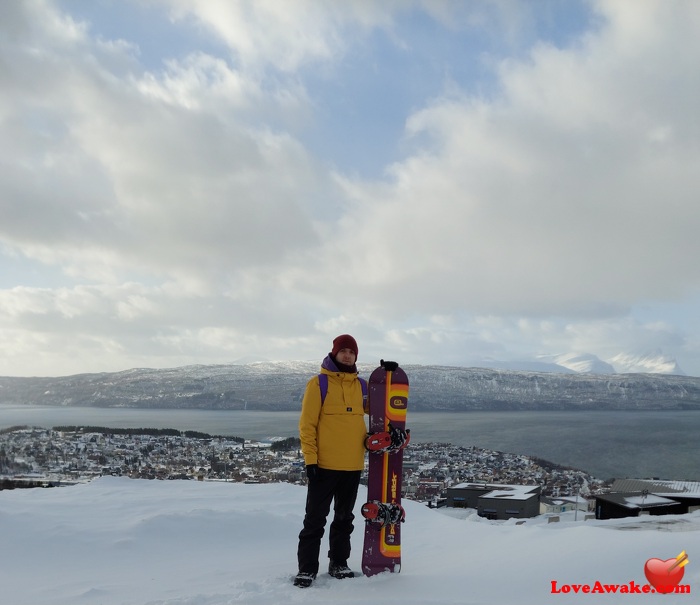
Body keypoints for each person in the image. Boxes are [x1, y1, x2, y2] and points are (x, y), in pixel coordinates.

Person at [294, 334, 368, 588]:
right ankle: (307, 569)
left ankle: (339, 563)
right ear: (334, 353)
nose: (347, 355)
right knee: (314, 520)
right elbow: (307, 425)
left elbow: (382, 416)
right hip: (324, 466)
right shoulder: (319, 384)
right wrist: (310, 461)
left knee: (344, 520)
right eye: (343, 351)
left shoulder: (362, 387)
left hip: (353, 465)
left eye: (352, 352)